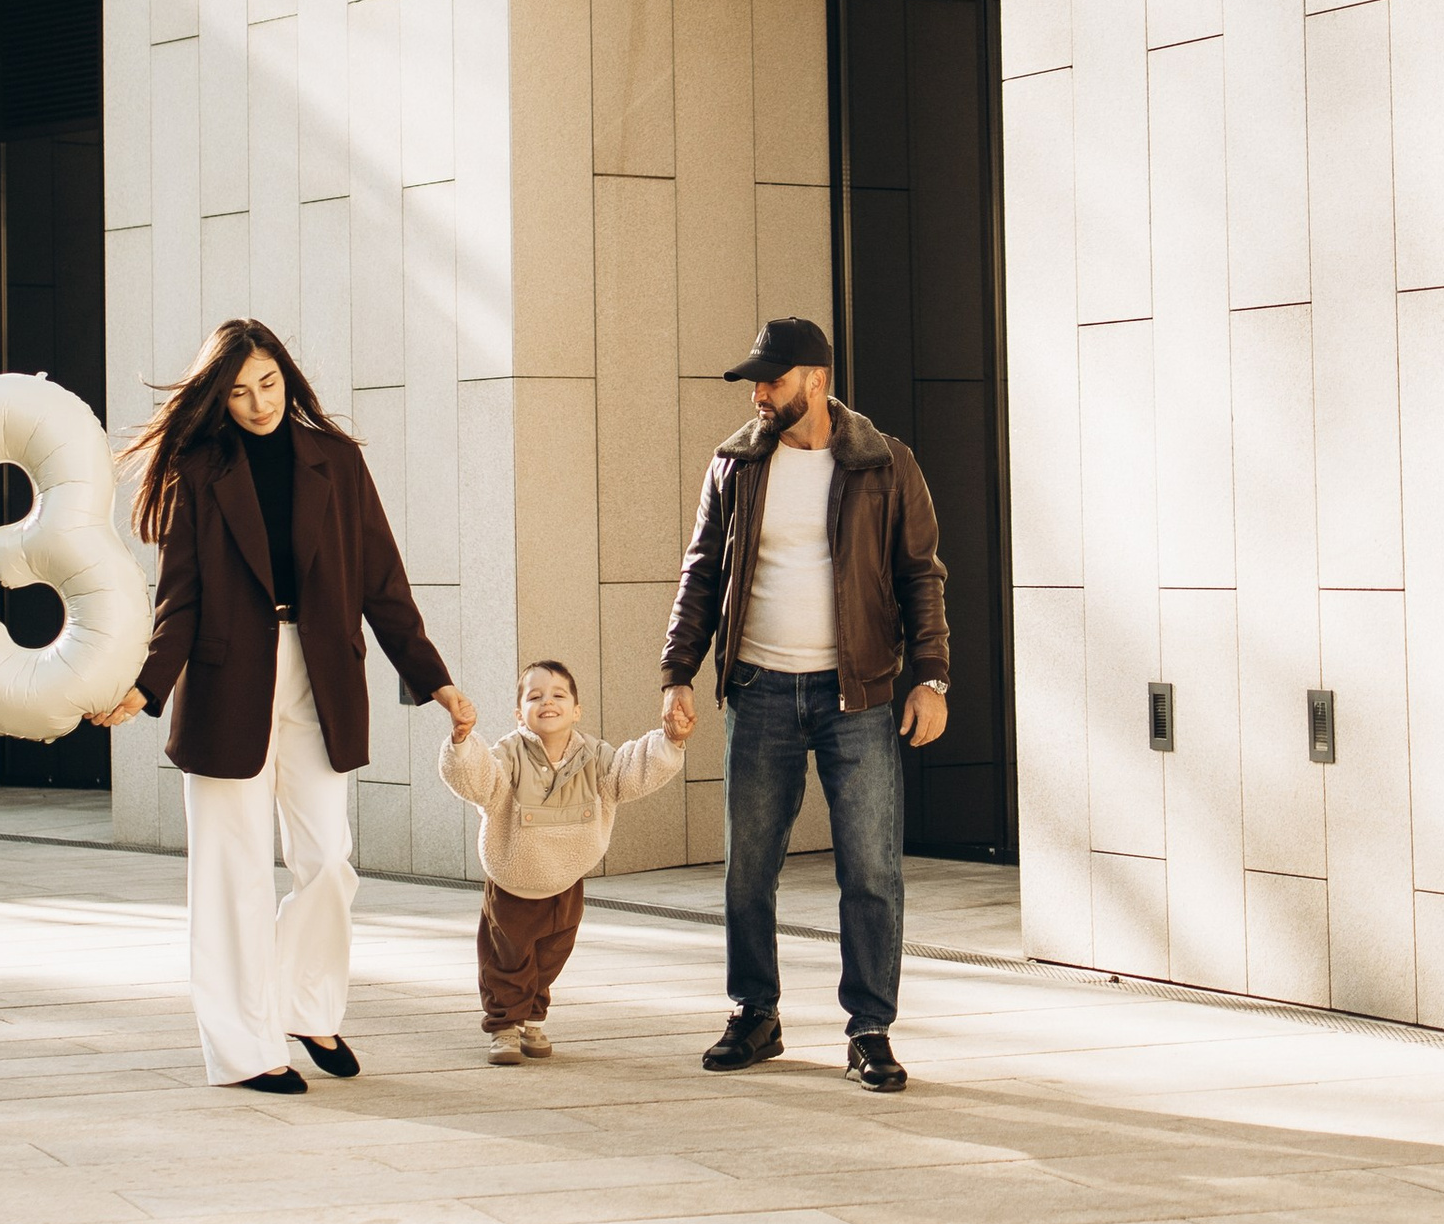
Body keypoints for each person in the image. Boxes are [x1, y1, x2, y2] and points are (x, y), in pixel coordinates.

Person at [93, 320, 476, 1093]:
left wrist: (434, 678)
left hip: (320, 673)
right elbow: (180, 598)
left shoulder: (336, 461)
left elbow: (382, 582)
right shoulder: (198, 471)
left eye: (267, 384)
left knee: (328, 860)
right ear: (219, 398)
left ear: (287, 378)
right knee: (231, 872)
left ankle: (305, 1006)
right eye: (238, 392)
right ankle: (244, 1049)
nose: (257, 402)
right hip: (225, 679)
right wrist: (147, 686)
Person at [662, 313, 949, 1093]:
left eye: (773, 379)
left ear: (816, 380)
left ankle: (870, 1029)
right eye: (756, 381)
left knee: (871, 870)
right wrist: (677, 674)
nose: (759, 393)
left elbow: (922, 575)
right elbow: (701, 576)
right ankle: (756, 1014)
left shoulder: (885, 465)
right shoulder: (735, 465)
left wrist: (931, 677)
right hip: (758, 689)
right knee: (748, 870)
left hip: (854, 696)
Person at [440, 657, 692, 1062]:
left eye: (559, 694)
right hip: (513, 880)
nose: (548, 702)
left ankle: (533, 1019)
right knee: (507, 958)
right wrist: (463, 742)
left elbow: (634, 768)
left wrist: (670, 741)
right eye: (534, 696)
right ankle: (504, 1027)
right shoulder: (507, 755)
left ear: (576, 709)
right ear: (519, 712)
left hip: (566, 880)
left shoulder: (596, 757)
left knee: (551, 955)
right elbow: (478, 779)